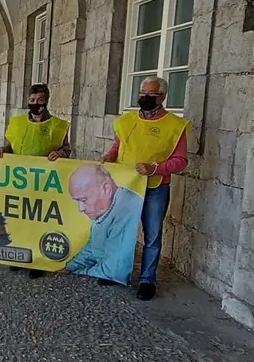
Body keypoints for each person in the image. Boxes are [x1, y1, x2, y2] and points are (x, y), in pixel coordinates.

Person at [100, 76, 190, 300]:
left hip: (155, 187)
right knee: (120, 229)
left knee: (152, 235)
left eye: (152, 94)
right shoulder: (126, 121)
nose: (146, 98)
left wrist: (155, 168)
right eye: (143, 93)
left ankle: (148, 279)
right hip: (125, 185)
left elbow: (181, 161)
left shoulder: (175, 126)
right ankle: (115, 271)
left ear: (163, 96)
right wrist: (110, 155)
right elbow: (118, 146)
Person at [0, 83, 71, 278]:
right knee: (19, 218)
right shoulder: (18, 123)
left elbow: (67, 150)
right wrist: (3, 150)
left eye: (40, 101)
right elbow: (11, 147)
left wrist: (59, 153)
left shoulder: (58, 126)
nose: (35, 104)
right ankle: (19, 256)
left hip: (44, 181)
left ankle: (38, 260)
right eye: (32, 100)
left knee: (40, 220)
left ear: (47, 101)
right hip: (20, 180)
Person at [65, 165, 143, 287]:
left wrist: (77, 273)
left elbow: (113, 272)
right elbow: (94, 247)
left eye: (84, 200)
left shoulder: (125, 208)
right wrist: (70, 267)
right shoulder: (105, 207)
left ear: (106, 188)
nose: (80, 208)